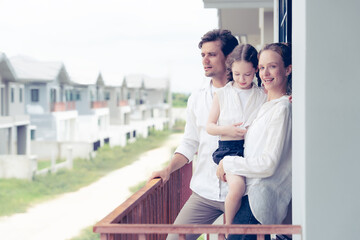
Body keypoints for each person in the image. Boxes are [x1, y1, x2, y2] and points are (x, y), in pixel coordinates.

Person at [149, 29, 238, 240]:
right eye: (203, 55)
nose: (205, 60)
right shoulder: (196, 98)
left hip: (242, 193)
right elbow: (189, 142)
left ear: (229, 57)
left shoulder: (251, 95)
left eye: (212, 54)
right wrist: (168, 169)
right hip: (204, 192)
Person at [216, 43, 292, 240]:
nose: (265, 73)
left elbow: (268, 164)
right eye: (261, 67)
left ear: (288, 69)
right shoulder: (266, 105)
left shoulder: (282, 108)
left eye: (272, 66)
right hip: (249, 197)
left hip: (257, 204)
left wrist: (228, 163)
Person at [206, 44, 267, 226]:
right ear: (231, 69)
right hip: (228, 150)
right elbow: (209, 126)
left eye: (247, 74)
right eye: (237, 74)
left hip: (252, 151)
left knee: (255, 191)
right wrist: (228, 130)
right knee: (237, 187)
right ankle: (229, 230)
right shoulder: (223, 94)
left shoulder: (261, 94)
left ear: (256, 70)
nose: (242, 79)